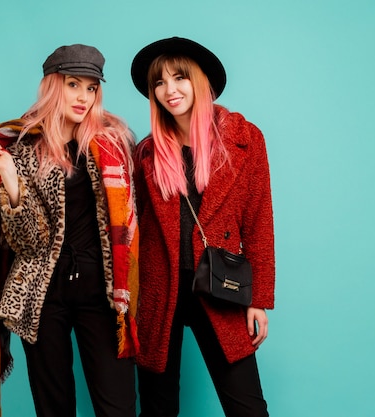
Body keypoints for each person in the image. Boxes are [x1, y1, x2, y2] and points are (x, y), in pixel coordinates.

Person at [0, 44, 139, 417]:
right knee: (53, 407)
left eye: (91, 87)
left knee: (118, 407)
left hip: (102, 290)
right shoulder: (23, 147)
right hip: (41, 292)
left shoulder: (113, 142)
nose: (83, 96)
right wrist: (10, 176)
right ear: (52, 85)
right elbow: (31, 242)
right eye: (73, 84)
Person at [130, 37, 275, 417]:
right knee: (157, 409)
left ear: (200, 81)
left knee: (247, 407)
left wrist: (258, 298)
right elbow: (135, 227)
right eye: (159, 82)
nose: (169, 90)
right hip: (160, 289)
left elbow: (259, 220)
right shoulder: (146, 153)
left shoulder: (244, 140)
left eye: (179, 78)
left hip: (219, 286)